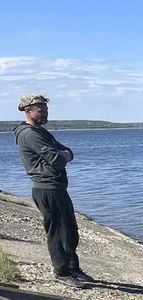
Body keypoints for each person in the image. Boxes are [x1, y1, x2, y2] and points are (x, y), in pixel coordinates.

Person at [13, 93, 94, 288]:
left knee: (71, 231)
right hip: (46, 188)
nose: (45, 113)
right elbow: (58, 160)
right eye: (40, 110)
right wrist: (61, 155)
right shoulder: (29, 134)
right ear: (27, 111)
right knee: (58, 232)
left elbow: (67, 152)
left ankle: (73, 267)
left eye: (46, 109)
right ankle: (62, 272)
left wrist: (62, 155)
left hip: (57, 187)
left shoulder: (42, 132)